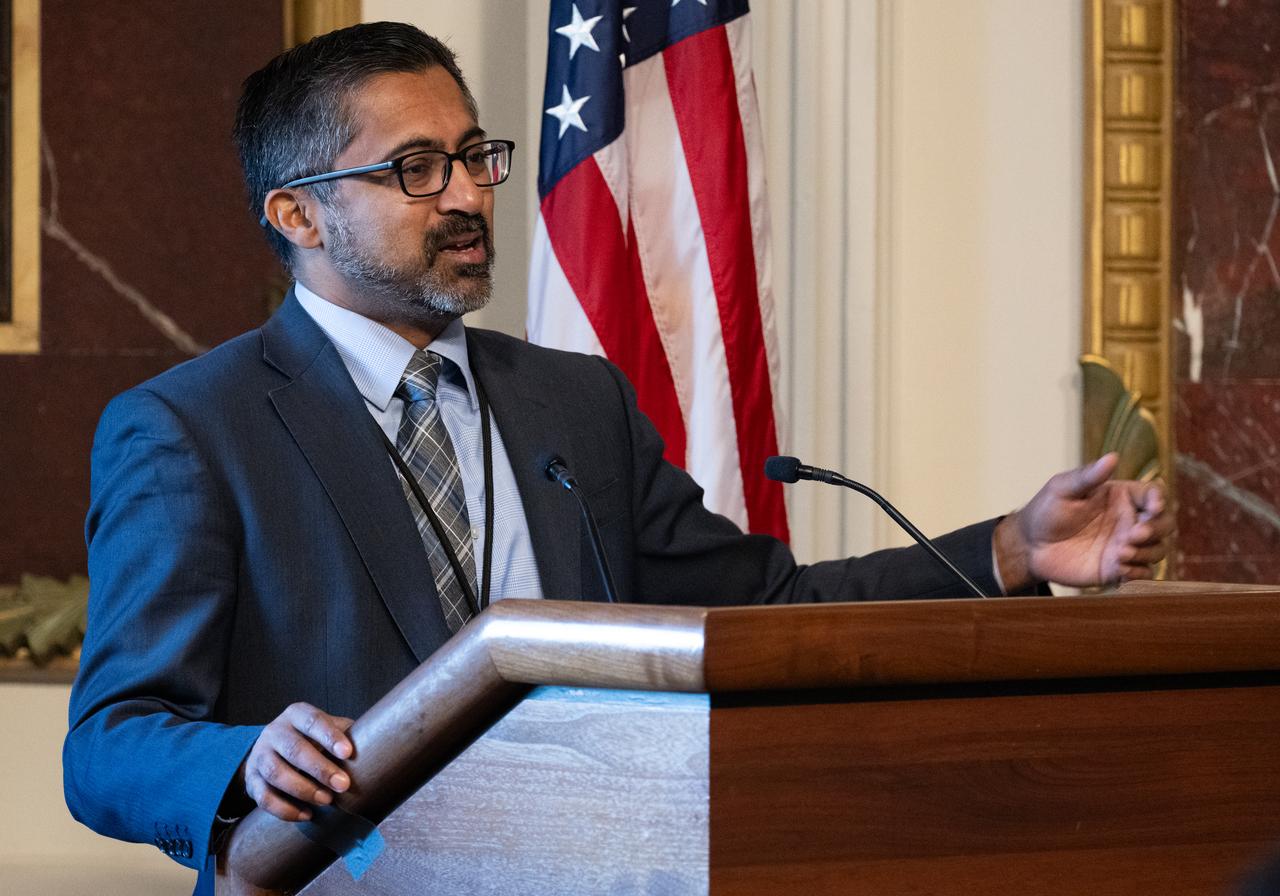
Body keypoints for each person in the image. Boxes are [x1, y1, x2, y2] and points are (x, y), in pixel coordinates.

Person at [62, 21, 1173, 891]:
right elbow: (110, 743)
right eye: (412, 168)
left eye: (470, 155)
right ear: (297, 216)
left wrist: (1008, 552)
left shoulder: (569, 399)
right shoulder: (189, 427)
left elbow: (759, 607)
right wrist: (248, 759)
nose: (463, 194)